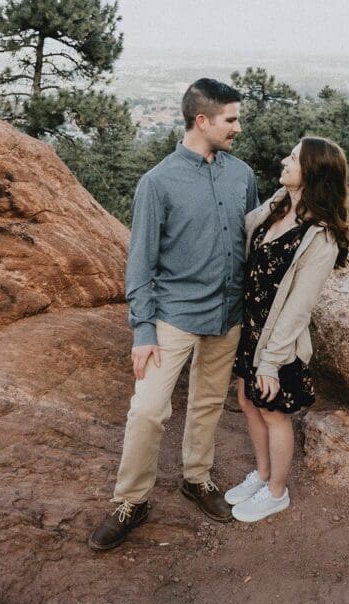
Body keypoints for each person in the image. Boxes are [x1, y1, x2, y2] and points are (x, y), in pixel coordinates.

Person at [89, 78, 259, 551]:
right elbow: (139, 265)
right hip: (173, 318)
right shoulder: (157, 183)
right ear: (201, 121)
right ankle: (131, 501)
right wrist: (143, 331)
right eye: (231, 119)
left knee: (207, 404)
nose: (237, 128)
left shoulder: (241, 175)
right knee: (147, 410)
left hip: (228, 315)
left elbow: (251, 242)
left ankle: (196, 478)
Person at [226, 136, 349, 523]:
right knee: (248, 402)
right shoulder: (276, 207)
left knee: (273, 412)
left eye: (293, 158)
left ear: (311, 173)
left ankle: (277, 492)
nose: (284, 160)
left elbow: (298, 309)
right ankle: (262, 475)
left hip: (278, 340)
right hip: (251, 328)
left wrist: (270, 362)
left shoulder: (321, 236)